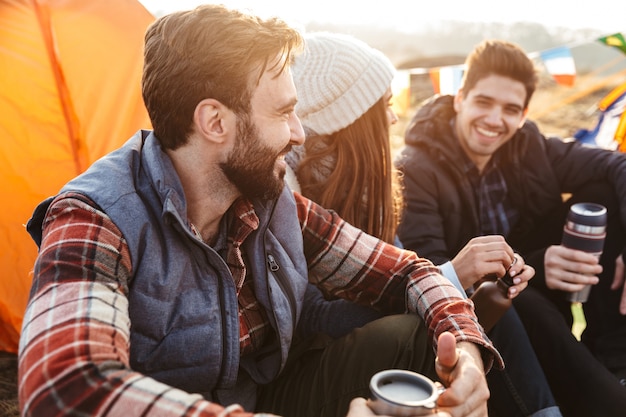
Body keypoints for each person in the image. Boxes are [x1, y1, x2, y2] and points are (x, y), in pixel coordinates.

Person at [18, 5, 500, 417]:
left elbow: (407, 273)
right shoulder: (95, 217)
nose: (300, 132)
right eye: (282, 112)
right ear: (215, 122)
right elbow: (63, 387)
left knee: (414, 333)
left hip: (268, 396)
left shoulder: (267, 198)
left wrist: (468, 351)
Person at [287, 31, 560, 417]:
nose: (395, 115)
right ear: (347, 116)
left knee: (477, 309)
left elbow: (404, 266)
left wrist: (466, 280)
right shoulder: (288, 194)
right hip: (314, 369)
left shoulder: (368, 187)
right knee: (428, 324)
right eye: (385, 104)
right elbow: (312, 318)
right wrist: (453, 275)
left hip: (367, 356)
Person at [395, 38, 626, 417]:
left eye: (510, 109)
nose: (494, 120)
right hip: (480, 313)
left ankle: (616, 361)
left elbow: (618, 164)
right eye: (483, 102)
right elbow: (431, 269)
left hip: (548, 294)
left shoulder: (529, 147)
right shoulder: (416, 168)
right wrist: (534, 264)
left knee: (602, 192)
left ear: (522, 115)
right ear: (459, 98)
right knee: (521, 299)